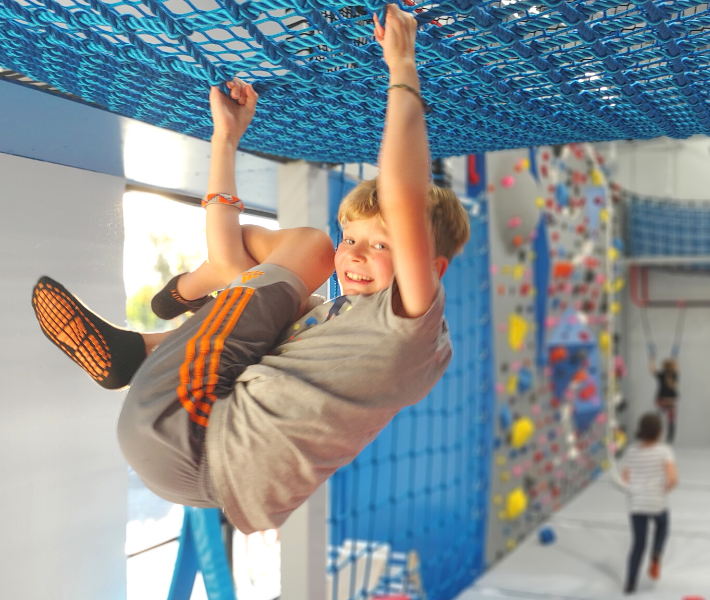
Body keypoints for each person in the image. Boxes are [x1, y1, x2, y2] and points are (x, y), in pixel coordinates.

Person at [31, 4, 470, 534]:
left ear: (431, 265)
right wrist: (226, 140)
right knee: (261, 266)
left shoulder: (414, 326)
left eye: (381, 245)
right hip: (196, 459)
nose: (353, 254)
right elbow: (236, 255)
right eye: (351, 237)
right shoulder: (331, 323)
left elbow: (402, 193)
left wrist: (402, 64)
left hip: (191, 433)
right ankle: (166, 323)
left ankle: (171, 317)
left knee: (305, 247)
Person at [621, 412, 678, 594]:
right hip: (655, 501)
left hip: (636, 503)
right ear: (660, 432)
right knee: (663, 525)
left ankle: (630, 584)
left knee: (638, 544)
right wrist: (663, 490)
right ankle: (656, 556)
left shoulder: (631, 451)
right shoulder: (664, 451)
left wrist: (636, 487)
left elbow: (625, 477)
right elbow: (673, 479)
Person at [649, 356, 678, 443]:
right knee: (671, 421)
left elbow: (652, 370)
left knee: (660, 419)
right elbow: (676, 365)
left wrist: (652, 359)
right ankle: (669, 438)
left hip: (662, 400)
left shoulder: (664, 374)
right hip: (670, 400)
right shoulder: (674, 374)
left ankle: (659, 436)